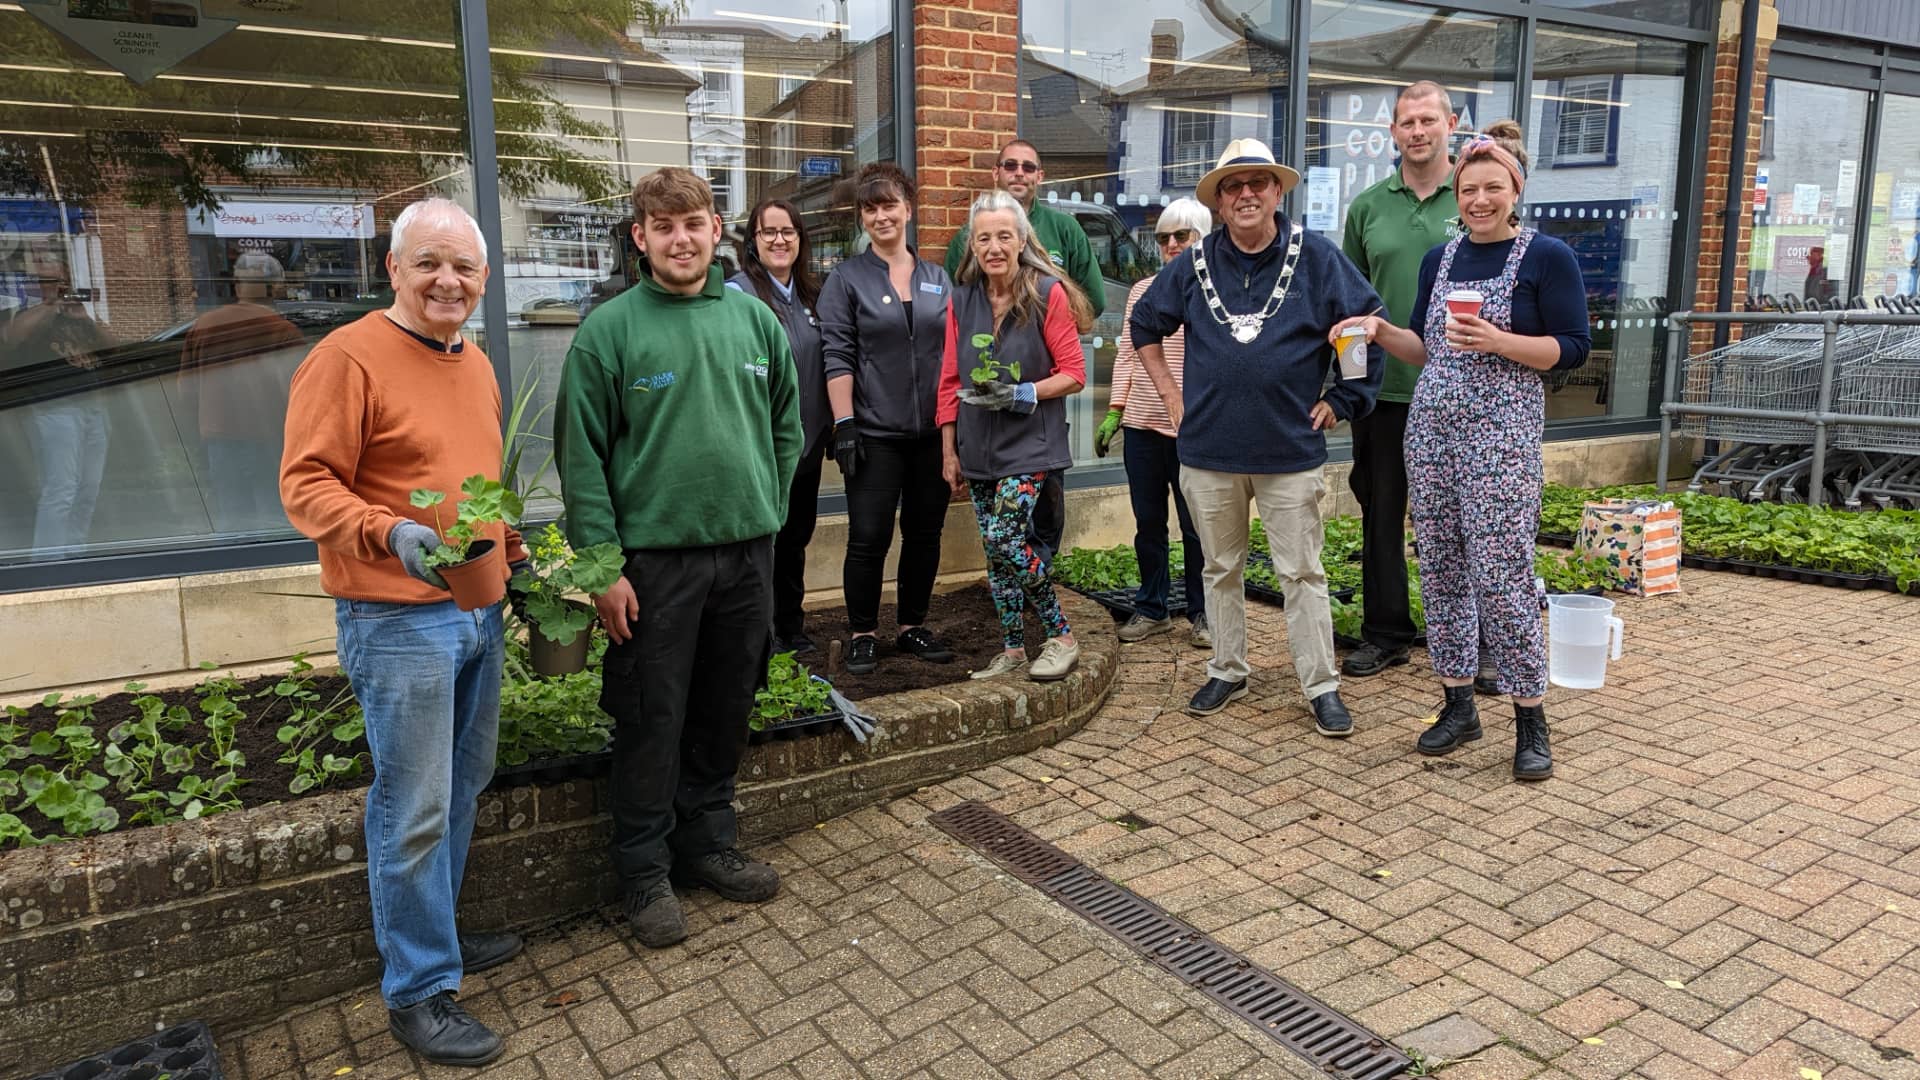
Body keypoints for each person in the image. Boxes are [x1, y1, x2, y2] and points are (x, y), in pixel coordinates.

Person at [279, 198, 525, 1067]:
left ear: (484, 279)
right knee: (414, 804)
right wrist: (390, 532)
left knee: (466, 779)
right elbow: (305, 484)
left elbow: (478, 480)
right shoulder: (346, 357)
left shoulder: (480, 363)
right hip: (395, 620)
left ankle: (439, 935)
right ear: (394, 270)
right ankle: (419, 991)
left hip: (477, 608)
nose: (446, 281)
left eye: (463, 267)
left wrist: (519, 552)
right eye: (428, 263)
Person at [555, 167, 802, 948]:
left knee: (727, 705)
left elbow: (788, 430)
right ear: (641, 238)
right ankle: (642, 870)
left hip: (745, 556)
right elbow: (582, 461)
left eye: (692, 223)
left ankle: (706, 842)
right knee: (650, 716)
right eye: (662, 227)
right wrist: (602, 571)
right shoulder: (610, 331)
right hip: (653, 568)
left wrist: (764, 506)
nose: (681, 239)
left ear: (715, 226)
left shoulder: (756, 321)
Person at [1331, 120, 1592, 781]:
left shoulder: (1546, 257)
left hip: (1501, 437)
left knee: (1502, 578)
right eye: (1468, 189)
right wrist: (1379, 329)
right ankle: (1456, 705)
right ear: (1456, 194)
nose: (1479, 200)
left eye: (1492, 188)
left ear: (1515, 189)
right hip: (1433, 432)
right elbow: (1427, 350)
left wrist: (1501, 340)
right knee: (1443, 571)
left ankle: (1531, 718)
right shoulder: (1438, 261)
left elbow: (1572, 349)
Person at [1129, 138, 1384, 731]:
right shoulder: (1191, 265)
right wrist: (1170, 396)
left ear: (1276, 192)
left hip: (1289, 452)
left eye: (1257, 183)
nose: (1245, 194)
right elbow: (1144, 323)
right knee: (1219, 568)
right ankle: (1226, 668)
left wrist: (1344, 397)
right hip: (1208, 451)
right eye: (1232, 186)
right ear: (1218, 202)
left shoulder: (1317, 258)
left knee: (1302, 574)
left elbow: (1362, 327)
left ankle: (1320, 685)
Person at [938, 191, 1091, 681]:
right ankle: (1011, 648)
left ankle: (1061, 635)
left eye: (1005, 235)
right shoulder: (961, 300)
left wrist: (1025, 391)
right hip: (977, 442)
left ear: (1022, 239)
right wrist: (949, 449)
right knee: (995, 551)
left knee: (1006, 535)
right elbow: (948, 379)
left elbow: (1075, 372)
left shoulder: (1048, 293)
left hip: (1031, 442)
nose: (995, 246)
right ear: (973, 245)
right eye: (984, 237)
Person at [1340, 80, 1459, 680]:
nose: (1418, 131)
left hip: (1461, 392)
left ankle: (1467, 636)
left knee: (1461, 518)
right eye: (1407, 122)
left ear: (1451, 124)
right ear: (1393, 132)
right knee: (1381, 511)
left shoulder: (1475, 197)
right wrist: (1347, 386)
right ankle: (1386, 631)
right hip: (1384, 393)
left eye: (1428, 120)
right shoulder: (1367, 207)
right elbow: (1349, 308)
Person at [818, 162, 956, 676]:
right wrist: (844, 423)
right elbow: (838, 354)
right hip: (874, 435)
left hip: (929, 436)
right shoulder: (847, 279)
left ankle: (912, 625)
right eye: (870, 207)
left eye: (889, 205)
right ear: (861, 216)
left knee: (925, 532)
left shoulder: (936, 278)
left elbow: (951, 360)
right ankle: (861, 633)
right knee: (869, 536)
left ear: (908, 210)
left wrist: (951, 436)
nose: (881, 216)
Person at [944, 139, 1106, 558]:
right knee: (1002, 542)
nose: (1019, 173)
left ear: (1039, 176)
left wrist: (1050, 330)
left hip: (1038, 411)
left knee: (1045, 511)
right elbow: (960, 309)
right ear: (996, 171)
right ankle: (1026, 610)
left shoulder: (1063, 229)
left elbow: (1091, 298)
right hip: (983, 430)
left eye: (1028, 167)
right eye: (1010, 165)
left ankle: (1046, 600)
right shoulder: (969, 242)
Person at [1097, 196, 1212, 648]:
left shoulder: (1215, 291)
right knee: (1149, 523)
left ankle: (1203, 613)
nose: (1170, 244)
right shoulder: (1143, 292)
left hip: (1193, 427)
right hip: (1143, 426)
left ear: (1201, 237)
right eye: (1163, 237)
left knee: (1196, 525)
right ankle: (1152, 607)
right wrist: (1115, 411)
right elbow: (1128, 352)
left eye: (1181, 236)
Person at [726, 199, 829, 655]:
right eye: (768, 232)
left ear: (800, 239)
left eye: (788, 231)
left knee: (794, 542)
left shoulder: (813, 297)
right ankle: (760, 633)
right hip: (758, 450)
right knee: (761, 546)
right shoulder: (737, 295)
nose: (779, 240)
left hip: (805, 448)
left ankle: (792, 626)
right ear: (754, 241)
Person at [180, 252, 306, 533]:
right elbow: (297, 394)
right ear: (275, 287)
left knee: (231, 517)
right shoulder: (282, 330)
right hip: (270, 437)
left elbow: (187, 390)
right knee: (276, 519)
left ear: (237, 285)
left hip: (219, 437)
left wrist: (197, 431)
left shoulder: (204, 326)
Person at [6, 244, 115, 558]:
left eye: (57, 277)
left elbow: (113, 346)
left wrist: (86, 317)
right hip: (53, 407)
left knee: (88, 489)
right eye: (44, 279)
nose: (53, 283)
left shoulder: (78, 313)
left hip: (93, 407)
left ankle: (74, 552)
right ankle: (48, 560)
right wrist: (51, 303)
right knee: (61, 488)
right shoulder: (25, 309)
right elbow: (14, 337)